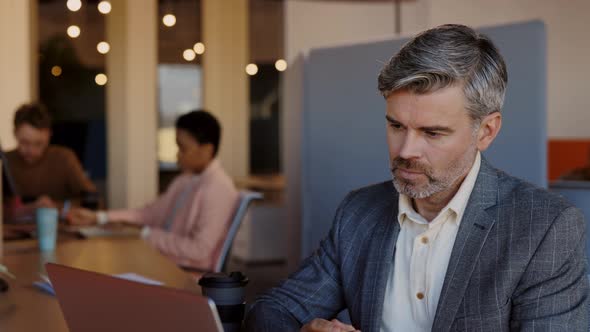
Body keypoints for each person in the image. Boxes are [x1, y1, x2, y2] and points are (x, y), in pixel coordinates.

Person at [245, 24, 588, 331]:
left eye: (433, 133)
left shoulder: (545, 228)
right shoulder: (358, 213)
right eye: (396, 125)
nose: (406, 150)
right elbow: (272, 311)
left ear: (486, 131)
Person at [68, 110, 239, 271]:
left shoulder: (218, 189)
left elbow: (199, 250)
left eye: (182, 148)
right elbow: (149, 213)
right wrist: (99, 217)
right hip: (165, 261)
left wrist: (146, 233)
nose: (177, 155)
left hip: (186, 273)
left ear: (207, 150)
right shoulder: (185, 180)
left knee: (107, 264)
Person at [2, 103, 96, 220]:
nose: (31, 150)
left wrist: (57, 207)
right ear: (15, 133)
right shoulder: (5, 162)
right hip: (17, 234)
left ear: (49, 135)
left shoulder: (64, 158)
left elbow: (92, 201)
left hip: (60, 232)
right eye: (24, 142)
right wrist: (24, 210)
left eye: (39, 144)